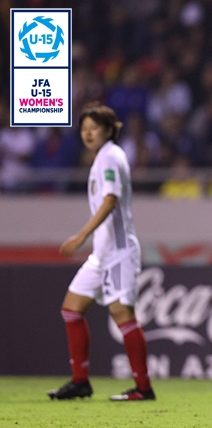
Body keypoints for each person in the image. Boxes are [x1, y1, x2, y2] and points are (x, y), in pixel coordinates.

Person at [47, 102, 155, 402]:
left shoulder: (109, 157)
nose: (88, 133)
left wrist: (81, 235)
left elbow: (110, 201)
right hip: (102, 253)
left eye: (94, 128)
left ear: (109, 130)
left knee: (122, 315)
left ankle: (143, 388)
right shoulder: (101, 159)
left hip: (119, 252)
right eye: (84, 129)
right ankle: (81, 382)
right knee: (71, 308)